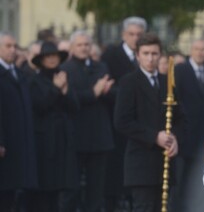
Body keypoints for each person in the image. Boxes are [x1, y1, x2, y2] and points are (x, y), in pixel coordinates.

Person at [114, 33, 185, 212]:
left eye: (154, 54)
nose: (150, 58)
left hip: (165, 161)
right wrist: (155, 137)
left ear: (160, 55)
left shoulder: (167, 82)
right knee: (144, 207)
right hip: (141, 163)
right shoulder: (128, 82)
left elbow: (180, 117)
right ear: (137, 55)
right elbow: (122, 121)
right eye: (145, 53)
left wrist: (175, 138)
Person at [61, 30, 115, 212]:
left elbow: (111, 94)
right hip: (76, 137)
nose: (84, 48)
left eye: (86, 44)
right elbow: (71, 99)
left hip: (99, 137)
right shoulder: (65, 69)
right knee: (72, 189)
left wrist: (104, 91)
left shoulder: (101, 67)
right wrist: (94, 93)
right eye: (79, 45)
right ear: (71, 47)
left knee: (96, 191)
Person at [101, 16, 147, 211]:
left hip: (142, 121)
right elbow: (105, 87)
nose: (135, 38)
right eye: (131, 34)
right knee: (116, 168)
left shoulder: (146, 55)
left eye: (139, 34)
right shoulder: (111, 55)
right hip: (116, 120)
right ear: (123, 35)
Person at [27, 41, 79, 212]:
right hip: (46, 140)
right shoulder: (35, 80)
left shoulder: (64, 76)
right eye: (48, 56)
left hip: (64, 139)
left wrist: (64, 91)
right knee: (46, 188)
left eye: (54, 56)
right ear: (41, 60)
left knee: (65, 187)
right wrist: (56, 89)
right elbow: (40, 106)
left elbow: (74, 107)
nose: (51, 60)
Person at [174, 39, 204, 212]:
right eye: (197, 49)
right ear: (191, 50)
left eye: (203, 49)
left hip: (203, 136)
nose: (200, 53)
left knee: (199, 178)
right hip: (184, 135)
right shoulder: (180, 70)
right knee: (181, 180)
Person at [0, 32, 37, 212]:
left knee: (15, 192)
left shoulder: (18, 73)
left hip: (19, 141)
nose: (13, 50)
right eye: (8, 46)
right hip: (5, 142)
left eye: (15, 46)